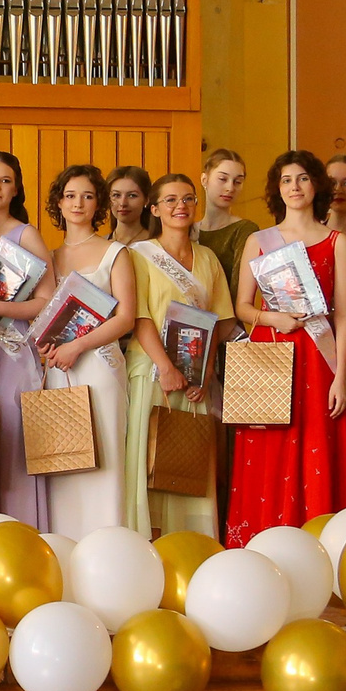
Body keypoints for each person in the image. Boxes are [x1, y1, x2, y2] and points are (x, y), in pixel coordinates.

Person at [228, 151, 346, 541]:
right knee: (268, 451)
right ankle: (261, 540)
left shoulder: (338, 243)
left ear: (316, 185)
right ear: (277, 189)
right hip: (271, 358)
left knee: (316, 450)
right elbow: (241, 307)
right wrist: (275, 319)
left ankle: (320, 545)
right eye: (286, 180)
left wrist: (340, 377)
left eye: (302, 178)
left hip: (319, 361)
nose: (295, 187)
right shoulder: (259, 241)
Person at [126, 173, 234, 538]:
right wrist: (166, 366)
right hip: (152, 370)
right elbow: (139, 316)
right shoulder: (139, 256)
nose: (181, 207)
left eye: (188, 199)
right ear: (154, 209)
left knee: (187, 464)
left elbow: (222, 320)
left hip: (195, 377)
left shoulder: (207, 258)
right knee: (148, 461)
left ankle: (191, 544)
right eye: (170, 200)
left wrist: (202, 374)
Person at [40, 165, 141, 539]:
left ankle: (107, 549)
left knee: (105, 461)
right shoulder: (48, 257)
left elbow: (127, 318)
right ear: (58, 204)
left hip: (98, 366)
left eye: (87, 195)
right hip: (56, 371)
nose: (77, 203)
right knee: (62, 464)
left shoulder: (116, 252)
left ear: (98, 203)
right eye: (69, 196)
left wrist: (78, 345)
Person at [0, 150, 54, 529]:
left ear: (16, 188)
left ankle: (21, 531)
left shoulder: (26, 233)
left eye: (5, 180)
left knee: (14, 439)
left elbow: (47, 301)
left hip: (14, 350)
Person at [195, 148, 260, 297]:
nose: (230, 188)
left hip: (227, 317)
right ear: (204, 180)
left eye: (238, 182)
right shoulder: (188, 229)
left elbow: (238, 292)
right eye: (223, 179)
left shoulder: (244, 230)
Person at [108, 165, 156, 247]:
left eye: (132, 195)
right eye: (116, 195)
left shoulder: (157, 246)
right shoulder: (100, 244)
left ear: (146, 200)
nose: (123, 203)